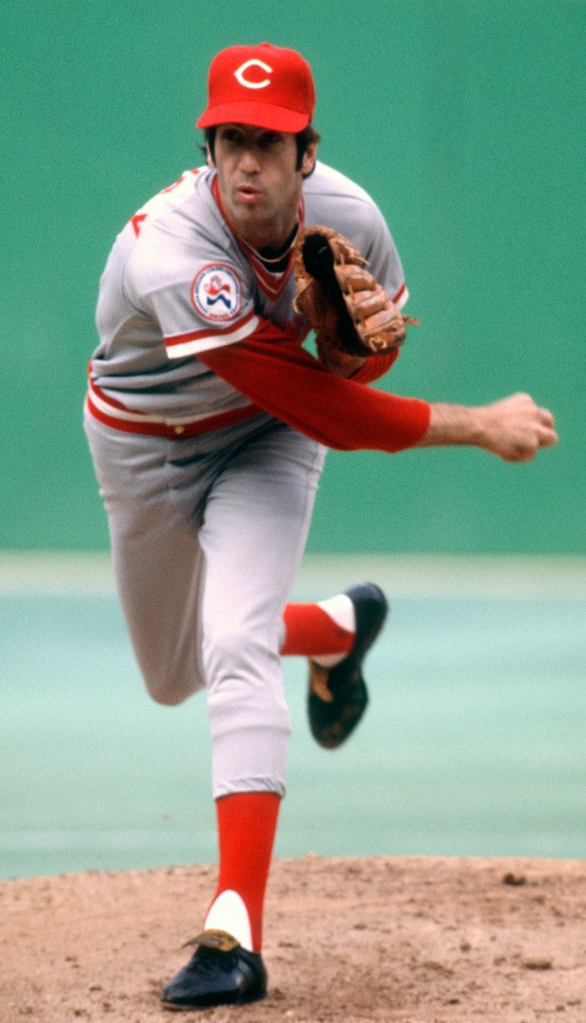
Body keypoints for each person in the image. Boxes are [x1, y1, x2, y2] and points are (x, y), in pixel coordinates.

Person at [84, 42, 557, 1010]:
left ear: (308, 153)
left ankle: (233, 932)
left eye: (269, 141)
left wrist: (351, 356)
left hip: (266, 439)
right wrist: (472, 425)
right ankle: (337, 630)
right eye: (228, 140)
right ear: (207, 146)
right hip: (142, 444)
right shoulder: (173, 250)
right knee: (173, 674)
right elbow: (334, 411)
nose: (246, 161)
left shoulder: (353, 219)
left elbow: (344, 382)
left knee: (230, 642)